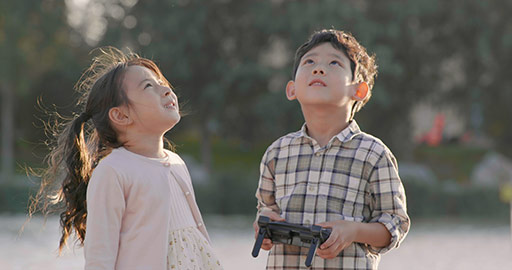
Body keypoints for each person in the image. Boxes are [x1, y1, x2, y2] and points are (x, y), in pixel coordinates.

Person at [29, 47, 223, 270]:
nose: (166, 89)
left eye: (162, 82)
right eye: (149, 86)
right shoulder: (113, 171)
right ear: (121, 115)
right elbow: (100, 258)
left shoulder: (177, 163)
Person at [254, 29, 410, 269]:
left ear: (358, 90)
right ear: (292, 89)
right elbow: (265, 211)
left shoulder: (373, 153)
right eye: (309, 62)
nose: (318, 68)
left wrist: (353, 231)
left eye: (334, 63)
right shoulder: (277, 153)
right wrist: (263, 225)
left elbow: (395, 225)